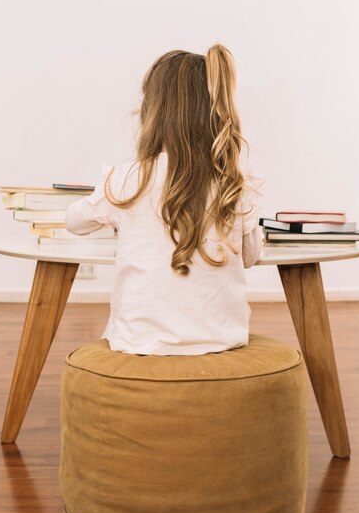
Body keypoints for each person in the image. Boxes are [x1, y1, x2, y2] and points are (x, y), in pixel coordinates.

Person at [65, 44, 263, 356]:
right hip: (222, 340)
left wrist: (109, 210)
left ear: (153, 112)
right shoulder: (232, 183)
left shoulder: (127, 179)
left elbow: (73, 222)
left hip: (138, 342)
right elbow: (250, 256)